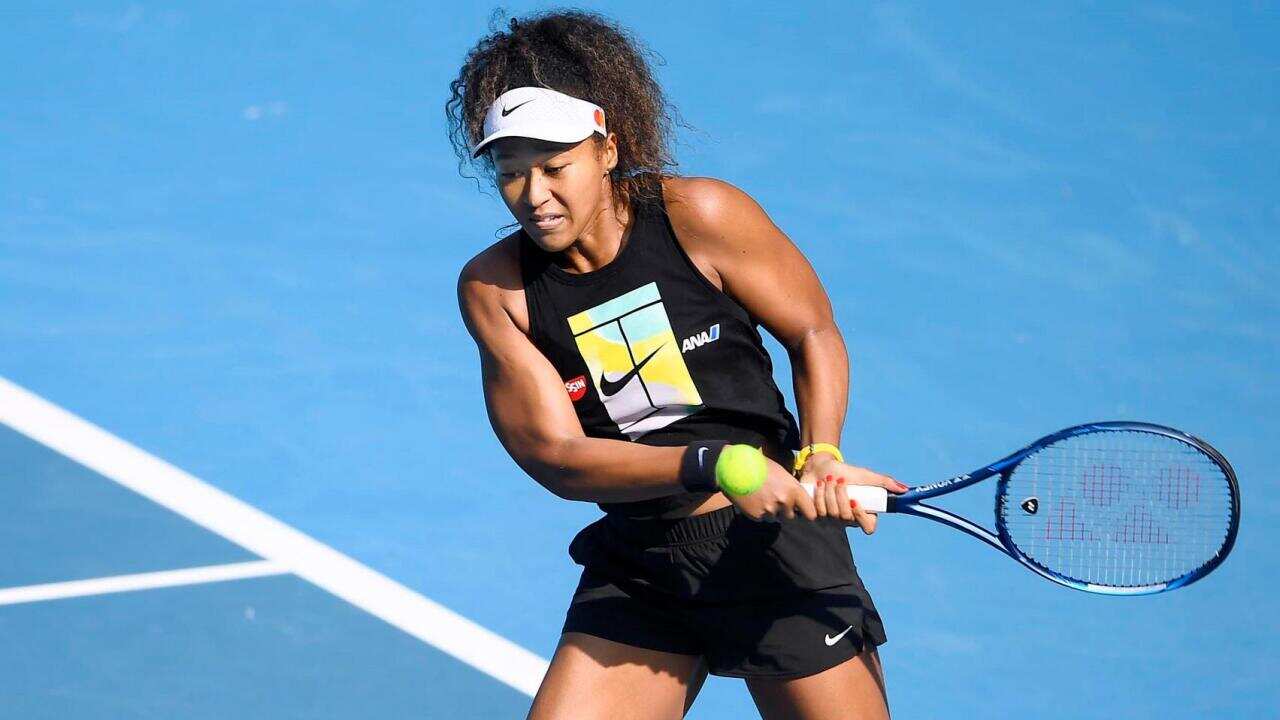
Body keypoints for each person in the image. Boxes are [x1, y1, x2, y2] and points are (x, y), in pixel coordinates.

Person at [448, 10, 908, 719]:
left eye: (554, 167)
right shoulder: (496, 289)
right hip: (642, 562)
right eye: (510, 174)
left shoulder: (704, 216)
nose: (533, 196)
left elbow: (813, 330)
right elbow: (558, 456)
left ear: (607, 148)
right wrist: (714, 463)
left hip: (772, 549)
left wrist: (819, 452)